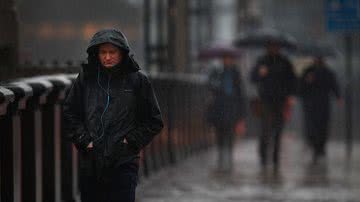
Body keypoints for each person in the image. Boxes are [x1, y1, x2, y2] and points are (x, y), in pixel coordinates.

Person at [62, 29, 163, 202]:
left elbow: (154, 120)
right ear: (96, 53)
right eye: (103, 52)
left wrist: (130, 141)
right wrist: (85, 141)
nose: (107, 57)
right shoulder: (86, 79)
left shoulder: (138, 81)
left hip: (124, 163)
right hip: (91, 163)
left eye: (112, 52)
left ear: (122, 53)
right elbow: (70, 112)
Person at [250, 41, 296, 172]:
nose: (273, 48)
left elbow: (292, 80)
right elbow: (252, 77)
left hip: (281, 101)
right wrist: (260, 73)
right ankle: (264, 158)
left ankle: (275, 159)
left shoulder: (285, 62)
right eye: (270, 46)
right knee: (265, 129)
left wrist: (291, 95)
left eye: (276, 46)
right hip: (265, 99)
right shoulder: (261, 61)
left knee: (278, 130)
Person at [299, 56, 341, 165]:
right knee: (312, 126)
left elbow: (334, 85)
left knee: (323, 126)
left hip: (323, 104)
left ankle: (320, 148)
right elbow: (300, 88)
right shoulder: (308, 71)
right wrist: (307, 81)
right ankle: (314, 145)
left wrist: (338, 97)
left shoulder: (328, 72)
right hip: (310, 104)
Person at [207, 54, 246, 172]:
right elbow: (210, 86)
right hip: (218, 108)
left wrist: (241, 113)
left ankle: (228, 158)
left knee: (229, 133)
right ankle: (221, 156)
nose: (226, 60)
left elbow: (240, 93)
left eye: (229, 58)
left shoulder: (236, 73)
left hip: (231, 108)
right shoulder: (216, 72)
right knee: (219, 132)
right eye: (224, 58)